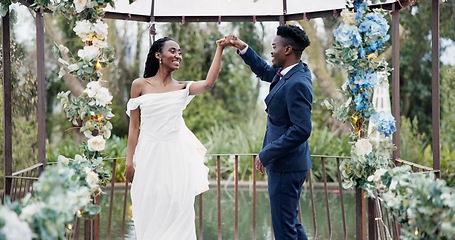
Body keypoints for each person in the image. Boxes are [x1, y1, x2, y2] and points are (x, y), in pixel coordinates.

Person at [124, 37, 228, 240]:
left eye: (180, 52)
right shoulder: (139, 85)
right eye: (173, 51)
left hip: (176, 157)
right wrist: (129, 162)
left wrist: (220, 49)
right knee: (147, 205)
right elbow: (134, 127)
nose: (178, 56)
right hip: (148, 155)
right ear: (158, 55)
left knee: (178, 207)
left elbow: (208, 84)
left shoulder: (182, 88)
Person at [226, 25, 313, 240]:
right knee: (289, 223)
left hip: (286, 165)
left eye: (274, 47)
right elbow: (265, 71)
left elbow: (301, 129)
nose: (271, 51)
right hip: (288, 164)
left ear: (287, 50)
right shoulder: (291, 73)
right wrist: (243, 48)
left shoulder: (297, 83)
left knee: (284, 230)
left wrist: (267, 153)